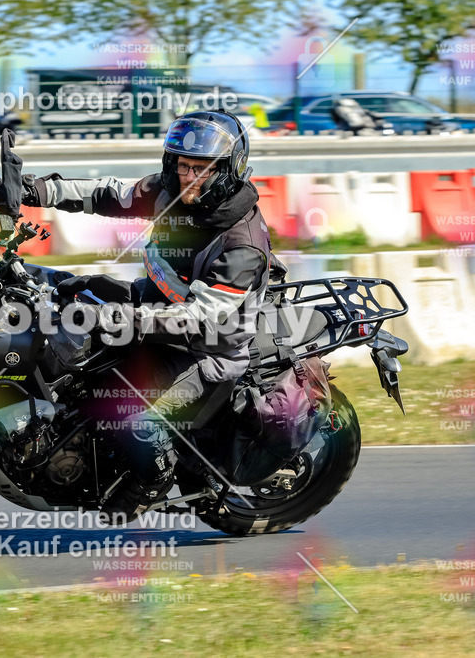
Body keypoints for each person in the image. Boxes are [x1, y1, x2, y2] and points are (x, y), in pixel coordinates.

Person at [19, 110, 285, 517]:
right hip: (154, 306)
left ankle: (149, 484)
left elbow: (200, 318)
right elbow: (106, 194)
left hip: (208, 351)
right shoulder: (168, 192)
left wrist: (127, 321)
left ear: (228, 171)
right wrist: (33, 190)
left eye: (202, 169)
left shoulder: (241, 244)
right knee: (70, 292)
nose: (188, 177)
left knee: (127, 411)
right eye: (182, 165)